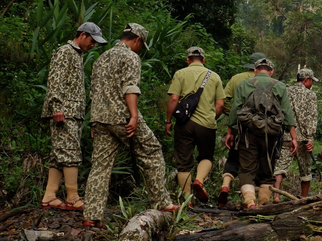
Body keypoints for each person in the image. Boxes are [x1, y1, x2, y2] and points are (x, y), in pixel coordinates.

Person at [83, 23, 179, 228]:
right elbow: (130, 87)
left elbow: (95, 91)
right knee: (151, 150)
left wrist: (93, 120)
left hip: (100, 118)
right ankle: (161, 202)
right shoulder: (131, 57)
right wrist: (134, 116)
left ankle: (91, 215)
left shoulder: (102, 57)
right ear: (137, 40)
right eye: (141, 45)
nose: (140, 50)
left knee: (100, 166)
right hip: (122, 117)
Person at [40, 22, 107, 211]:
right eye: (92, 41)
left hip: (73, 112)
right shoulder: (65, 52)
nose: (93, 45)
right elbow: (56, 79)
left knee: (59, 155)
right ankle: (72, 197)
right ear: (83, 35)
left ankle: (49, 196)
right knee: (70, 153)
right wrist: (57, 106)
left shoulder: (77, 54)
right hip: (64, 111)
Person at [226, 58, 298, 209]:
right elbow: (287, 113)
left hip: (247, 133)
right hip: (271, 135)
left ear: (255, 70)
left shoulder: (244, 84)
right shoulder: (280, 86)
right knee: (267, 170)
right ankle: (264, 203)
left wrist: (230, 133)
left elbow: (235, 111)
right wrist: (293, 138)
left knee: (246, 169)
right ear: (271, 72)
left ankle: (250, 201)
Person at [165, 46, 225, 203]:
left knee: (183, 163)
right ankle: (199, 180)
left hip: (184, 124)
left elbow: (173, 99)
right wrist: (213, 117)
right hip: (206, 124)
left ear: (187, 59)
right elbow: (220, 104)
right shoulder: (215, 77)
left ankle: (187, 201)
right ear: (203, 60)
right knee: (206, 156)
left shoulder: (180, 74)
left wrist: (168, 120)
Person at [217, 52, 266, 207]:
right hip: (261, 127)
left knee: (234, 156)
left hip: (240, 125)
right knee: (257, 160)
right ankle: (254, 199)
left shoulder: (237, 79)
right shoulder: (269, 81)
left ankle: (225, 185)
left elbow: (225, 100)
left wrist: (233, 118)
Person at [273, 68, 318, 203]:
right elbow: (312, 117)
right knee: (305, 170)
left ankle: (276, 195)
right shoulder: (310, 95)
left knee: (280, 167)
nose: (311, 84)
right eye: (311, 81)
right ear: (306, 80)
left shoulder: (285, 91)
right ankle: (303, 198)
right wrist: (310, 138)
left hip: (286, 136)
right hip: (303, 138)